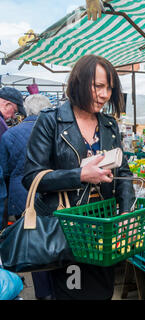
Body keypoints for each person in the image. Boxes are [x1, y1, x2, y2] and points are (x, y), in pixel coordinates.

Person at [22, 55, 135, 300]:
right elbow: (30, 177)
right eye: (98, 86)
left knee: (103, 291)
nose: (105, 94)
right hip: (67, 232)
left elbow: (124, 174)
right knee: (74, 292)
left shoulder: (108, 125)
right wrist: (80, 175)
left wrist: (126, 212)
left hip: (103, 229)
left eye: (109, 88)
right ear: (79, 82)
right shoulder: (51, 120)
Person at [0, 94, 54, 299]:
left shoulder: (10, 135)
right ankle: (56, 286)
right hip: (49, 193)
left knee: (32, 243)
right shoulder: (53, 133)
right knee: (51, 238)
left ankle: (42, 291)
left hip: (21, 196)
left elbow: (4, 170)